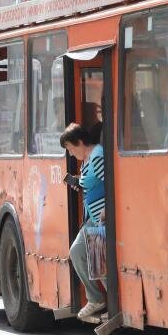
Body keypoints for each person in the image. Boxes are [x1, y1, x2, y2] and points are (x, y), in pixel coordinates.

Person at [60, 123, 107, 321]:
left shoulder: (97, 156)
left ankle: (112, 301)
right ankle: (97, 299)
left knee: (99, 259)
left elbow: (112, 181)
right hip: (93, 219)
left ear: (80, 142)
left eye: (70, 148)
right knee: (78, 252)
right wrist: (79, 183)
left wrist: (109, 209)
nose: (70, 153)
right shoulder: (87, 160)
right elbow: (91, 182)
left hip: (103, 219)